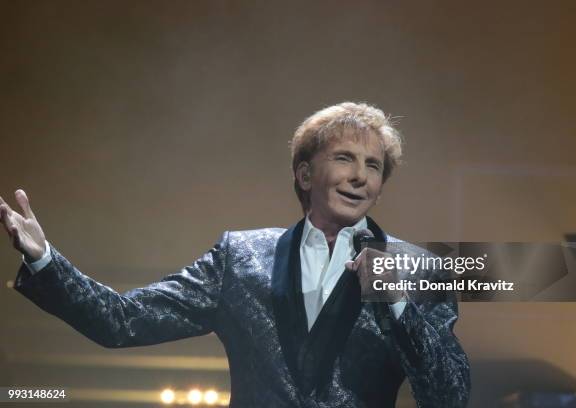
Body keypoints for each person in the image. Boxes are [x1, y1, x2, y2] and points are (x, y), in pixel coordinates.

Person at [0, 102, 470, 407]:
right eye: (344, 158)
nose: (360, 176)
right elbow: (122, 321)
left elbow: (449, 396)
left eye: (373, 167)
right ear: (305, 175)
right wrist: (46, 259)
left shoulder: (421, 269)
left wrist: (397, 304)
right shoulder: (240, 256)